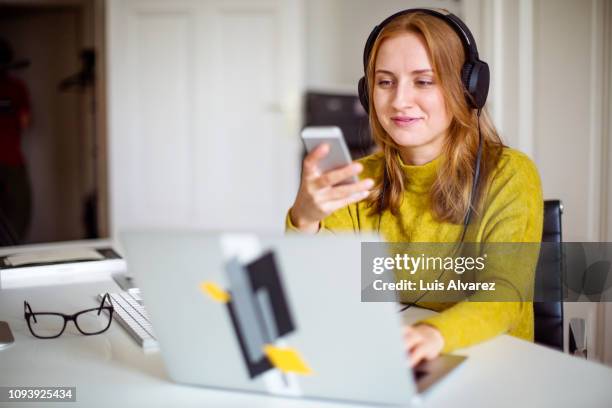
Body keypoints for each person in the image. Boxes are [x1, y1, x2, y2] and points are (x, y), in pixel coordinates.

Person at [286, 10, 543, 367]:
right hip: (391, 358)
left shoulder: (510, 175)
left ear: (466, 88)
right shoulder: (357, 177)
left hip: (491, 365)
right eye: (385, 82)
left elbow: (504, 294)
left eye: (424, 81)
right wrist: (304, 220)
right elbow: (316, 288)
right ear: (367, 92)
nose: (399, 101)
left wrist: (431, 335)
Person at [0, 38, 32, 243]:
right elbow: (25, 122)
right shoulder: (16, 87)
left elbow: (24, 121)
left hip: (11, 160)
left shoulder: (17, 87)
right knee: (19, 210)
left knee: (18, 211)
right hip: (11, 160)